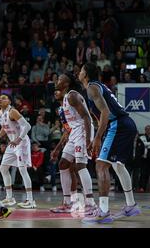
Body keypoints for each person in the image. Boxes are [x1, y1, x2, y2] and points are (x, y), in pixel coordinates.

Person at [79, 63, 140, 223]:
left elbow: (106, 112)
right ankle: (131, 205)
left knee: (101, 165)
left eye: (81, 70)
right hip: (125, 123)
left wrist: (98, 137)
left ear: (85, 74)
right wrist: (99, 135)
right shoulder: (96, 87)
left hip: (118, 124)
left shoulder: (92, 87)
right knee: (118, 165)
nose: (79, 73)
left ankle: (104, 211)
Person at [54, 73, 97, 214]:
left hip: (83, 130)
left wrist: (89, 140)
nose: (57, 80)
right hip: (75, 131)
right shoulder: (66, 97)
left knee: (80, 165)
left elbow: (86, 116)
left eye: (60, 79)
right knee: (63, 164)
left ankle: (91, 203)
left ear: (66, 83)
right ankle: (67, 202)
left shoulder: (73, 95)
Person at [0, 94, 36, 209]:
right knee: (3, 168)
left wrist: (19, 139)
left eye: (3, 98)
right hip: (12, 143)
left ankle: (30, 200)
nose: (0, 99)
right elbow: (4, 127)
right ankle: (10, 198)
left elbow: (27, 126)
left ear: (9, 101)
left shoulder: (13, 111)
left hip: (21, 142)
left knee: (22, 170)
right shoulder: (0, 113)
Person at [140, 125, 150, 192]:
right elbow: (143, 144)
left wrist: (146, 145)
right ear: (145, 130)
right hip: (144, 157)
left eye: (149, 129)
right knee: (143, 173)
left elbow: (146, 144)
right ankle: (142, 187)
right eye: (146, 129)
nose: (148, 130)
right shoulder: (142, 137)